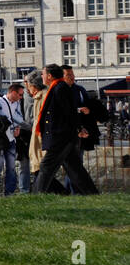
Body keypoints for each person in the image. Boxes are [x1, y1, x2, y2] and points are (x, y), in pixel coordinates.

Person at [33, 64, 98, 194]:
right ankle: (91, 193)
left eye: (43, 74)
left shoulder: (60, 88)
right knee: (75, 169)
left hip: (60, 136)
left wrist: (79, 128)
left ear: (50, 76)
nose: (42, 76)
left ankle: (37, 194)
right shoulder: (57, 87)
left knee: (46, 166)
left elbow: (69, 112)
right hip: (63, 136)